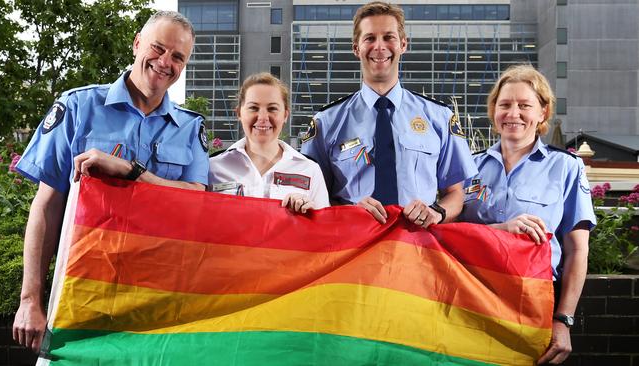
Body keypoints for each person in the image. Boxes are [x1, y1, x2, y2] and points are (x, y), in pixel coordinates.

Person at [12, 11, 209, 352]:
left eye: (178, 57)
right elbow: (46, 207)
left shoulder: (190, 128)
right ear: (136, 44)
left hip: (158, 301)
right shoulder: (78, 107)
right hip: (82, 293)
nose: (165, 62)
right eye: (158, 48)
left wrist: (132, 172)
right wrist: (30, 299)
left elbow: (196, 198)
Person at [459, 64, 596, 364]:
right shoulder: (468, 168)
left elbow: (577, 251)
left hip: (535, 304)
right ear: (494, 110)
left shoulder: (566, 168)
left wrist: (564, 320)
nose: (513, 114)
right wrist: (502, 229)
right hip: (471, 302)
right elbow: (449, 238)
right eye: (505, 104)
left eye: (524, 106)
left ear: (543, 113)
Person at [300, 1, 476, 226]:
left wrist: (436, 212)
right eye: (370, 38)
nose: (379, 46)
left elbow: (456, 194)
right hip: (352, 248)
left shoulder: (438, 118)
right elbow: (310, 195)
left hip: (417, 249)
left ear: (403, 44)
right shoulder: (327, 122)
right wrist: (347, 211)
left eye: (389, 37)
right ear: (356, 48)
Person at [209, 73, 329, 212]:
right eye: (253, 108)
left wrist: (311, 215)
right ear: (239, 113)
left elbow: (324, 230)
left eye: (272, 109)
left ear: (285, 115)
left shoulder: (310, 169)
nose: (263, 117)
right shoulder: (213, 168)